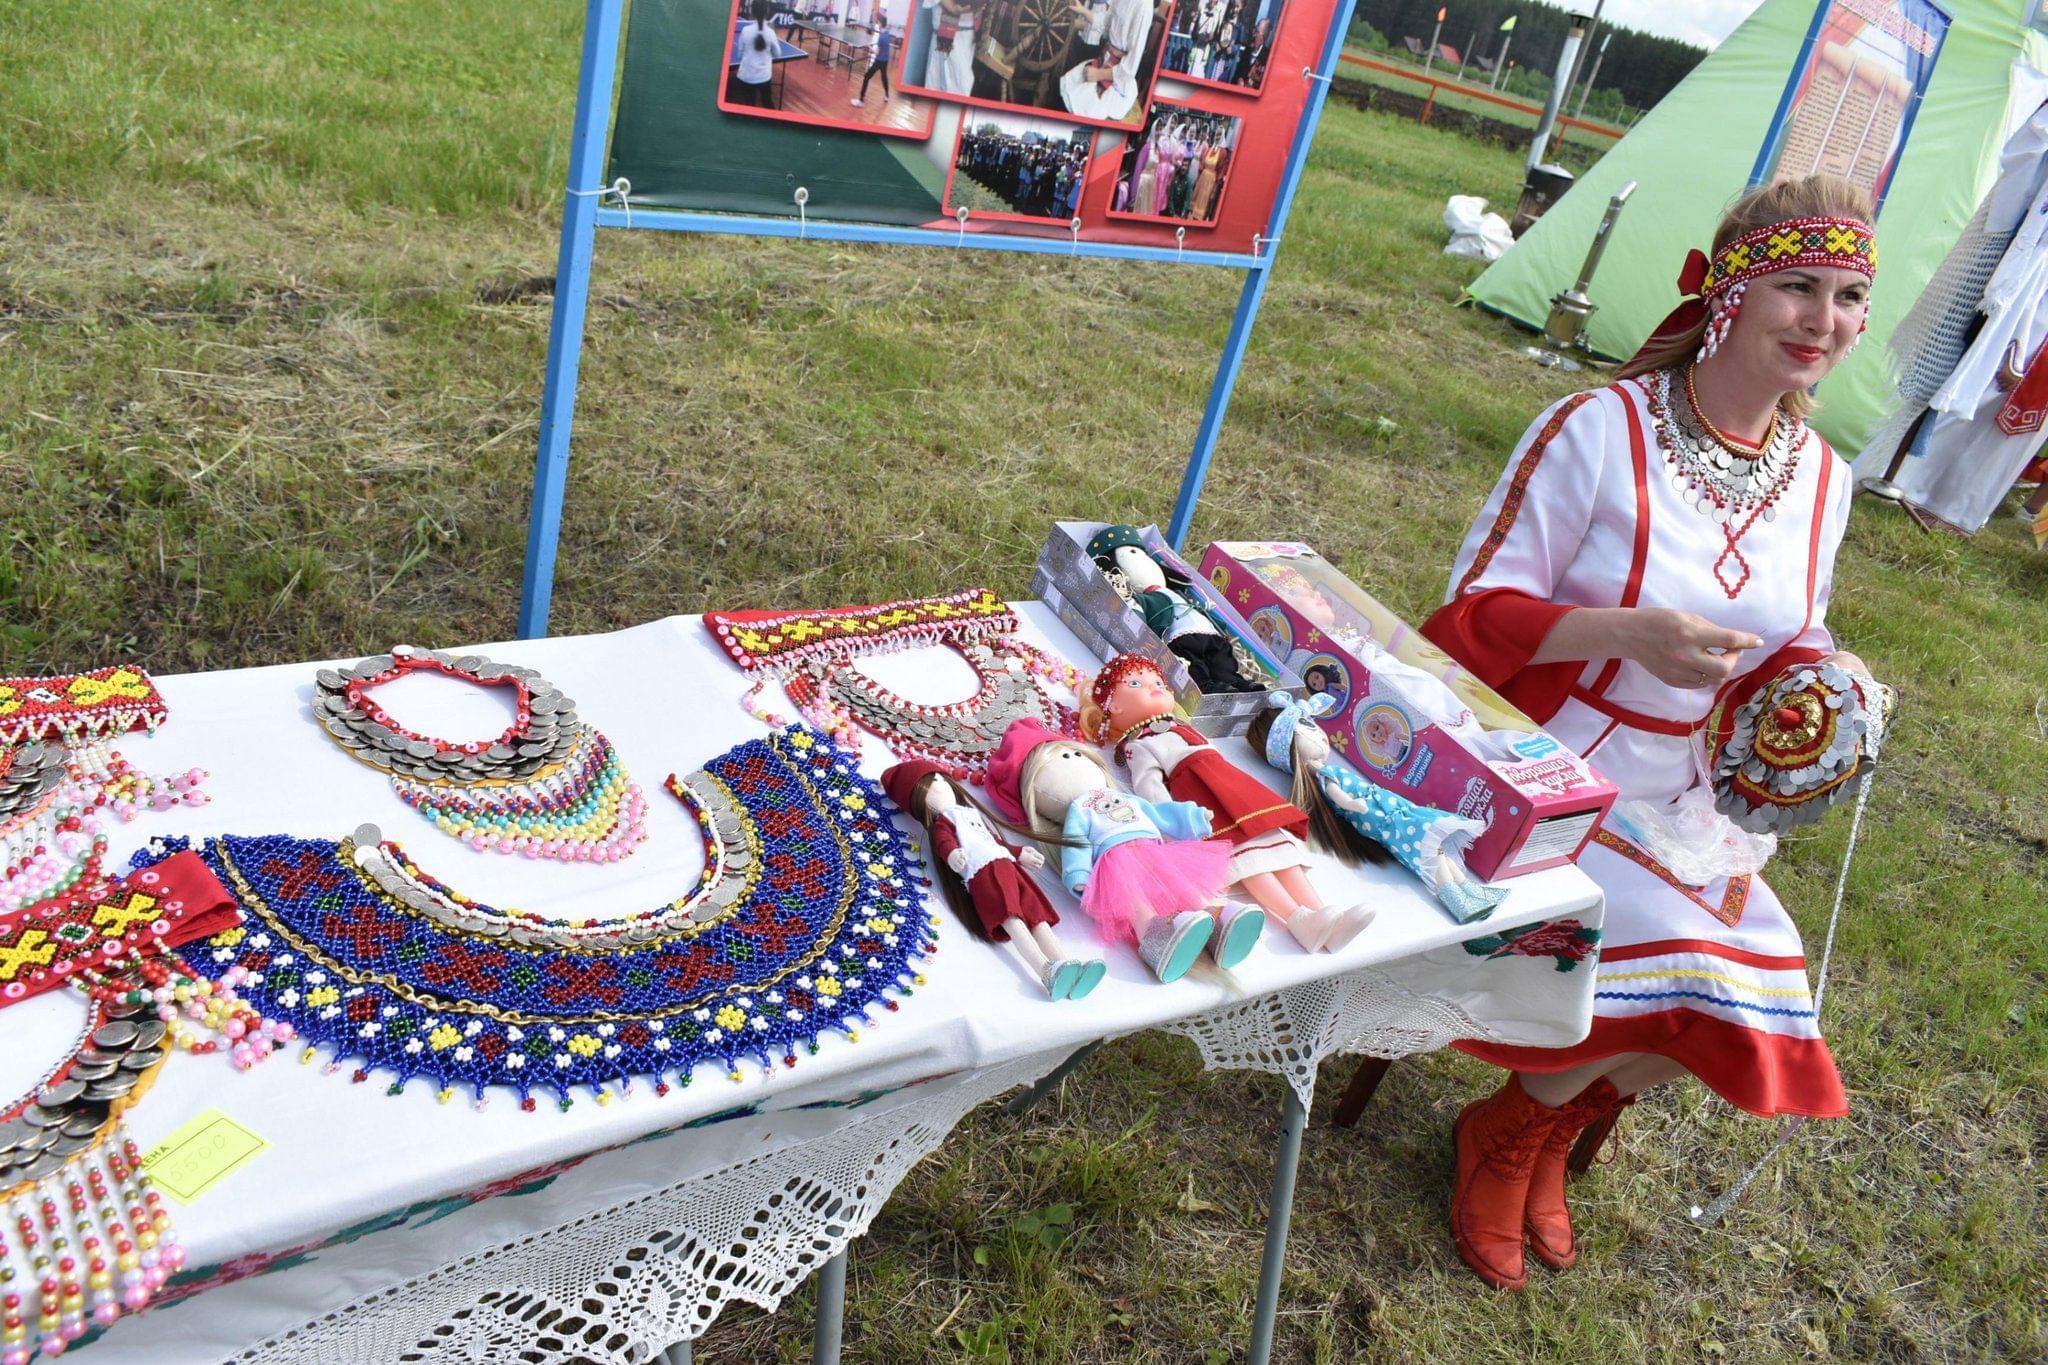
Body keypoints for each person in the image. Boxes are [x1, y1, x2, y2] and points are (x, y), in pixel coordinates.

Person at [1420, 174, 1878, 1291]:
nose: (1824, 320)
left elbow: (1787, 640)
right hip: (1543, 761)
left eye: (1850, 295)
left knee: (1764, 974)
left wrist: (1830, 677)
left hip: (1687, 794)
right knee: (1698, 959)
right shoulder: (1596, 430)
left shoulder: (1823, 479)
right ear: (1726, 288)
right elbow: (1455, 630)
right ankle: (1512, 1134)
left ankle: (1529, 1123)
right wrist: (1617, 632)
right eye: (1797, 287)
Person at [732, 0, 779, 108]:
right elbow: (777, 54)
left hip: (746, 76)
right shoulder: (770, 33)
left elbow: (739, 55)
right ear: (767, 11)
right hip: (764, 77)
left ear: (752, 11)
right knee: (768, 103)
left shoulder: (745, 30)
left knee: (749, 104)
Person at [851, 20, 895, 106]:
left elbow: (877, 52)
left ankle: (861, 100)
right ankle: (887, 95)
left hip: (879, 61)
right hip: (885, 60)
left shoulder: (881, 37)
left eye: (878, 22)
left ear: (881, 24)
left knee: (866, 77)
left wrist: (869, 47)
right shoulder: (887, 33)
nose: (877, 24)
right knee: (884, 77)